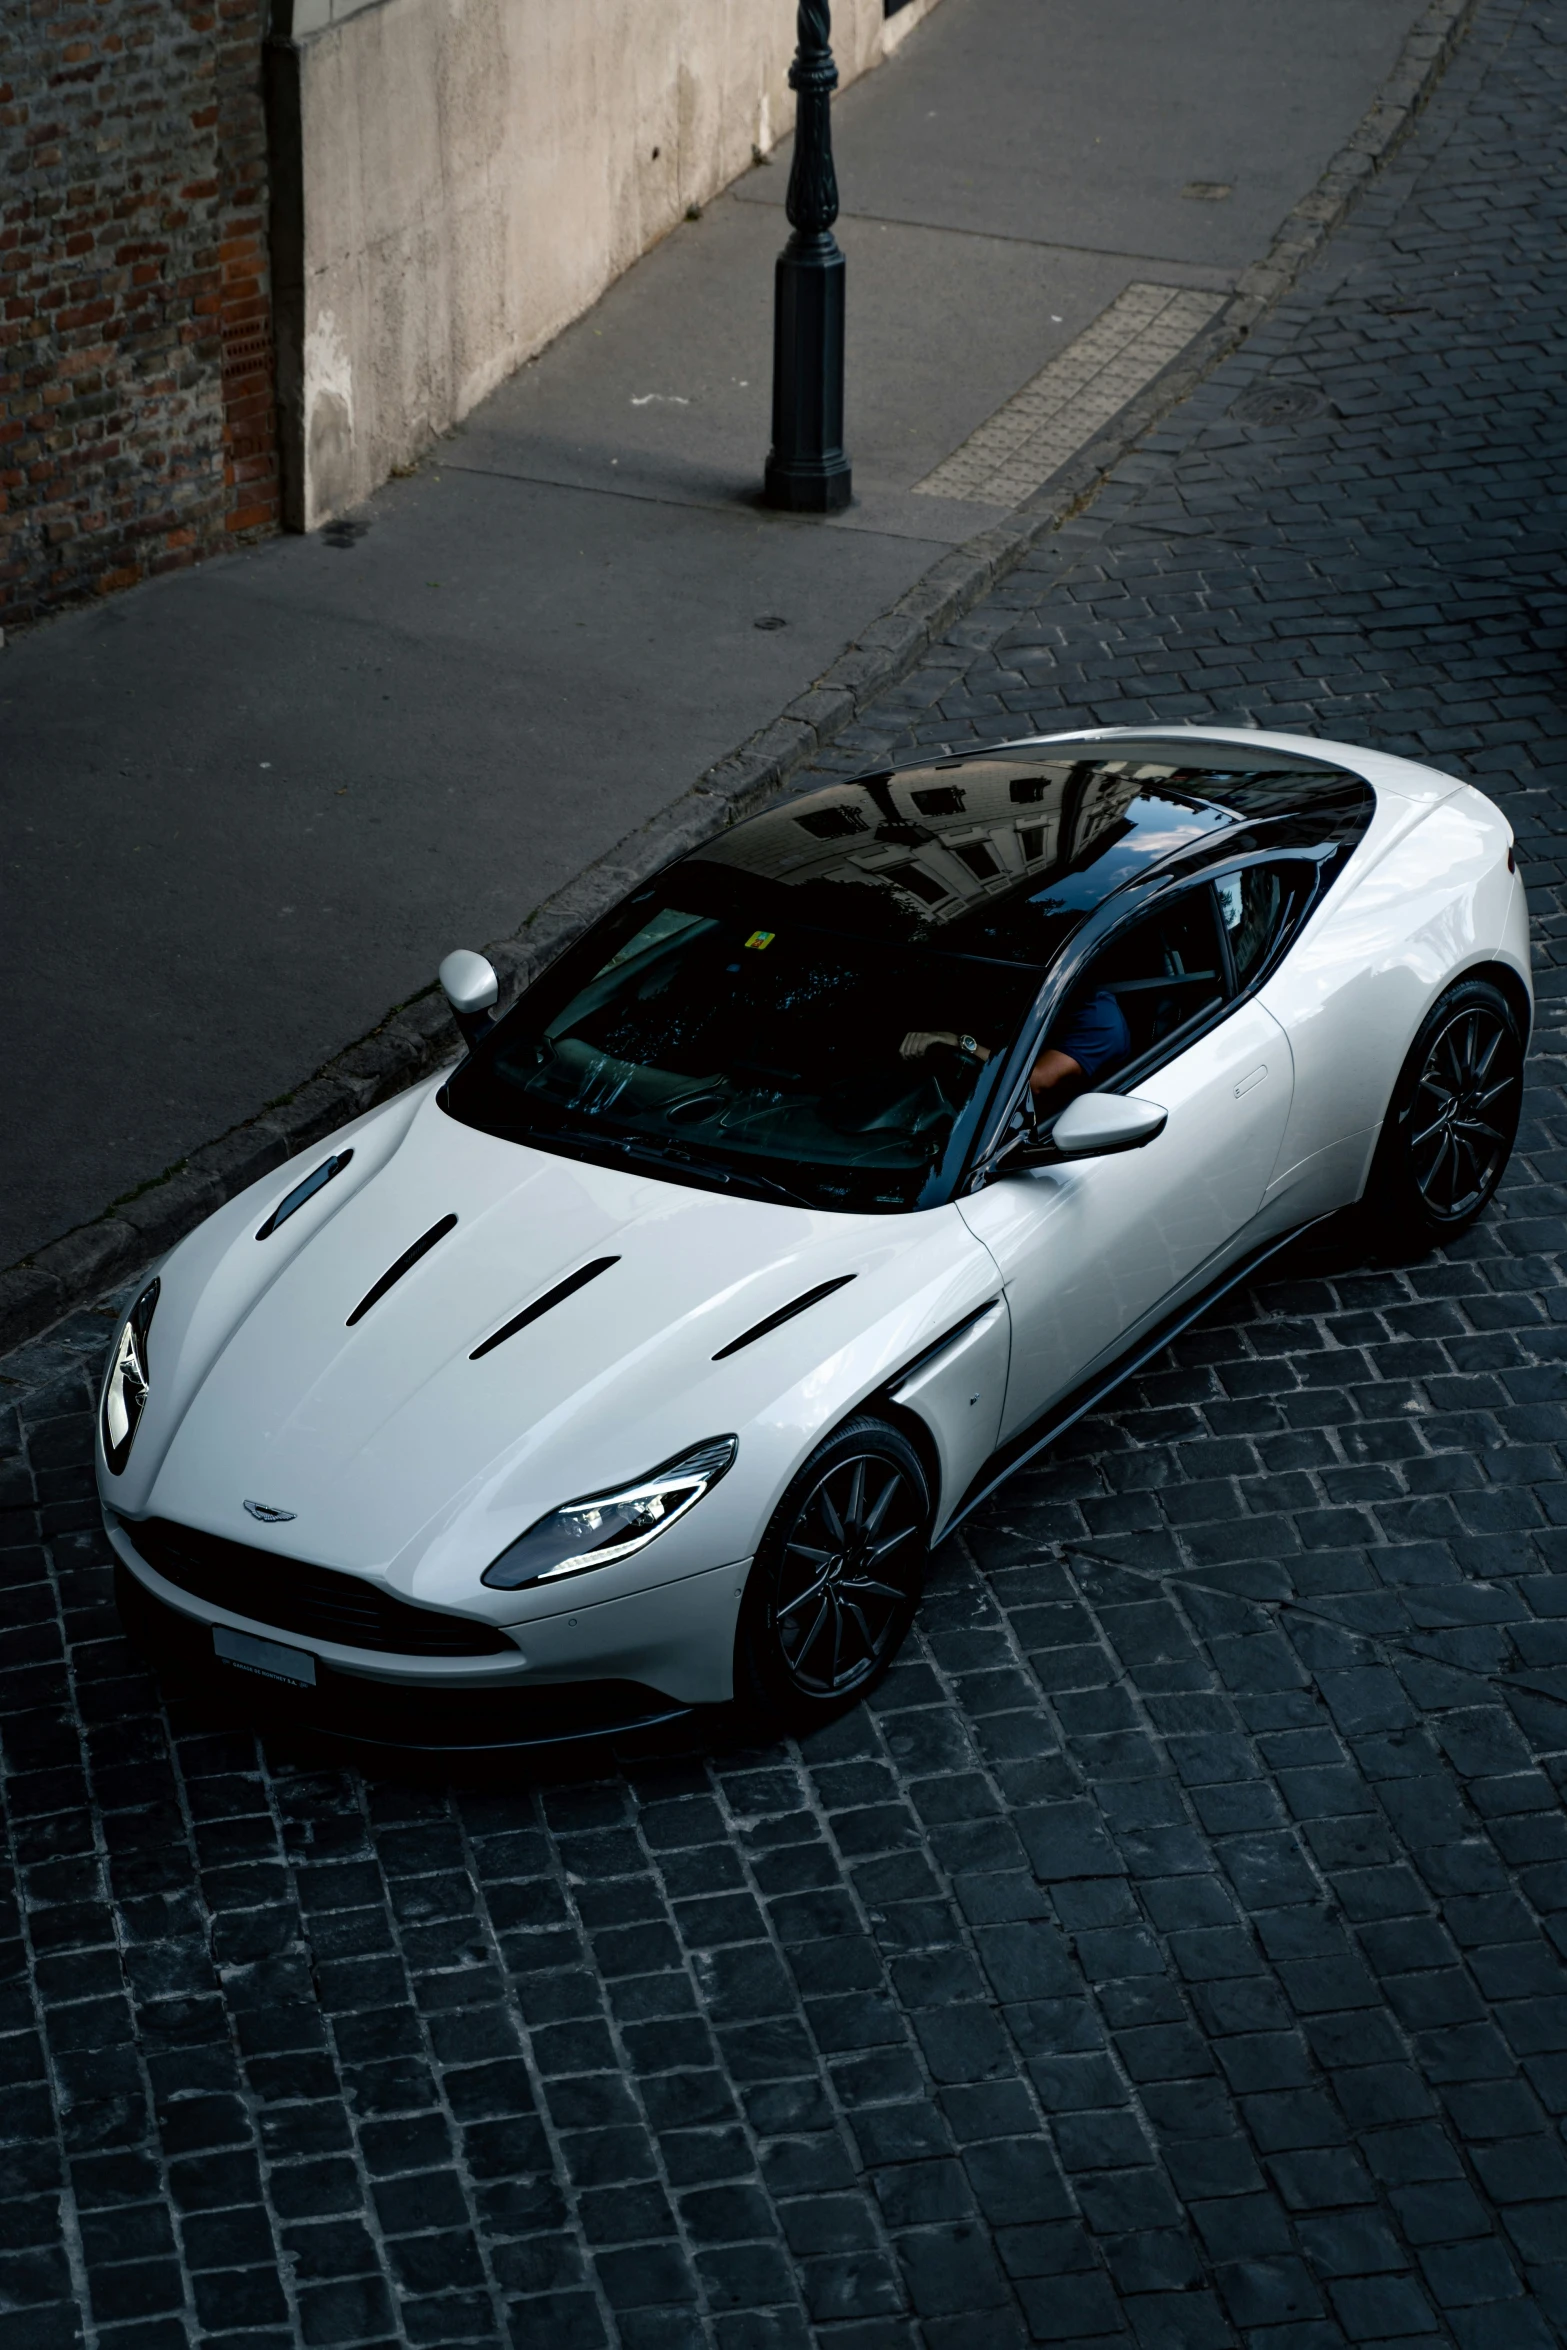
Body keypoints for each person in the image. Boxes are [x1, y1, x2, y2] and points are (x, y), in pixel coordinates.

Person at [900, 987, 1129, 1110]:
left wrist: (959, 1042)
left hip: (1053, 1125)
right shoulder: (1033, 994)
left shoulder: (1099, 1019)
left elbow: (1032, 1083)